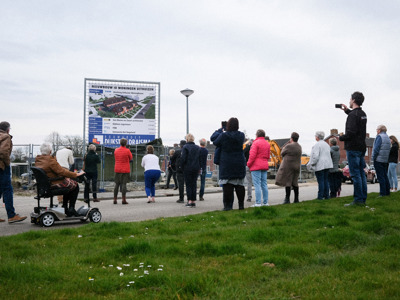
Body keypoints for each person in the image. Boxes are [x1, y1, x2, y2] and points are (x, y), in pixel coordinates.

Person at [35, 143, 85, 217]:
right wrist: (75, 174)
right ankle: (71, 208)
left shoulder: (38, 160)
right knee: (75, 185)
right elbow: (61, 171)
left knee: (69, 185)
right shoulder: (50, 160)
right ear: (50, 151)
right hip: (53, 184)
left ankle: (65, 207)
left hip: (44, 186)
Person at [339, 91, 368, 206]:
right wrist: (346, 110)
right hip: (361, 148)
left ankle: (358, 200)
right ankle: (362, 199)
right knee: (361, 174)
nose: (349, 101)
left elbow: (350, 133)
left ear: (354, 100)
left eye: (350, 99)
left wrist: (341, 137)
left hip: (353, 148)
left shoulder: (353, 115)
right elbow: (355, 116)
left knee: (355, 174)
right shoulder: (362, 114)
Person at [211, 117, 246, 210]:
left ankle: (227, 206)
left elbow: (214, 141)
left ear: (228, 125)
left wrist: (220, 130)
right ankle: (241, 205)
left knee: (227, 185)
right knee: (239, 185)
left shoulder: (224, 136)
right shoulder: (241, 135)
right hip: (239, 161)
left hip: (227, 162)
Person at [0, 121, 27, 223]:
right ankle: (11, 215)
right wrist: (7, 163)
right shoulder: (6, 137)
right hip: (2, 167)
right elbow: (3, 152)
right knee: (8, 190)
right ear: (8, 129)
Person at [275, 132, 302, 204]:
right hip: (296, 166)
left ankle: (287, 199)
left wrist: (286, 145)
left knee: (288, 182)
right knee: (295, 182)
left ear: (291, 138)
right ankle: (296, 199)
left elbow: (282, 153)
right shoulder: (299, 146)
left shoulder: (289, 146)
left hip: (288, 165)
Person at [247, 130, 270, 207]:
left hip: (256, 166)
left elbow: (252, 156)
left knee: (257, 185)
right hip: (264, 165)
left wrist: (248, 164)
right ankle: (265, 202)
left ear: (257, 135)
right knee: (264, 184)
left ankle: (258, 203)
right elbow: (268, 156)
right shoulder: (267, 143)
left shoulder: (255, 143)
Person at [307, 131, 333, 200]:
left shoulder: (317, 145)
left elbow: (315, 156)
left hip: (320, 165)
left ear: (317, 137)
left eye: (315, 136)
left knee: (321, 181)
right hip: (327, 164)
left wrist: (312, 163)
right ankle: (326, 195)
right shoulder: (327, 144)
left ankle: (320, 196)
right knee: (326, 180)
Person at [180, 133, 201, 207]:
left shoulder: (185, 147)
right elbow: (200, 159)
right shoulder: (198, 147)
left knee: (188, 185)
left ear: (187, 139)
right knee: (194, 184)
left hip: (187, 168)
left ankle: (189, 201)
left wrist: (182, 167)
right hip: (196, 168)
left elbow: (183, 159)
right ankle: (193, 201)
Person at [372, 125, 391, 197]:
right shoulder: (388, 138)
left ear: (379, 130)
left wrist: (373, 158)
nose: (376, 131)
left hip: (378, 159)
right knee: (385, 176)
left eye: (377, 129)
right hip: (385, 160)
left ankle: (382, 193)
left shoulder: (379, 137)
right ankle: (387, 192)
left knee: (380, 177)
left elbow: (376, 149)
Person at [113, 138, 132, 205]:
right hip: (125, 169)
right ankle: (123, 199)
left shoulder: (116, 150)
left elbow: (116, 157)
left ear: (120, 143)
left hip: (117, 169)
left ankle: (115, 199)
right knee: (124, 184)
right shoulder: (127, 151)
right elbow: (131, 158)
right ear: (126, 143)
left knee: (117, 184)